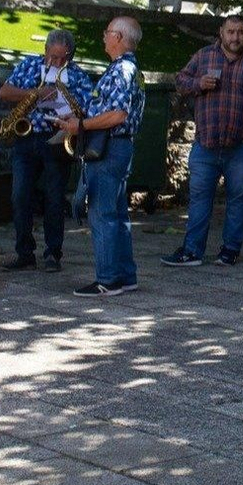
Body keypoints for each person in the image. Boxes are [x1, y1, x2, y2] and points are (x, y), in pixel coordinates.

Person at [166, 14, 243, 268]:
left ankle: (230, 250)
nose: (235, 37)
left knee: (238, 201)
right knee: (199, 199)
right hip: (206, 144)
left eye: (240, 32)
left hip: (242, 147)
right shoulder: (204, 56)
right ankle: (192, 251)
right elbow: (180, 81)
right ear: (221, 32)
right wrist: (198, 83)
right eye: (231, 32)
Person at [60, 17, 146, 297]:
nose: (104, 36)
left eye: (108, 32)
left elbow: (118, 114)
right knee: (118, 214)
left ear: (119, 37)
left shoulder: (121, 70)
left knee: (102, 215)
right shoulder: (129, 68)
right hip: (119, 146)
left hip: (110, 147)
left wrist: (80, 125)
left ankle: (108, 280)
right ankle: (125, 276)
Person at [0, 29, 94, 273]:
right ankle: (24, 252)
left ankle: (53, 253)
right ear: (45, 52)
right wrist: (34, 94)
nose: (58, 63)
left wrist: (69, 112)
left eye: (63, 58)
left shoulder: (78, 75)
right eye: (53, 57)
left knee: (54, 198)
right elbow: (4, 92)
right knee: (19, 196)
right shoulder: (29, 66)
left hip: (57, 140)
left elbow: (87, 110)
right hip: (26, 137)